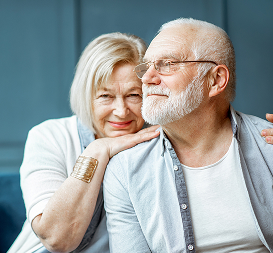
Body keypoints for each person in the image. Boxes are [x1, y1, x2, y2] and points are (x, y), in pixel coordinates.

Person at [103, 18, 273, 252]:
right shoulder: (126, 170)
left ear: (215, 80)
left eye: (167, 64)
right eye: (146, 66)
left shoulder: (269, 145)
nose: (147, 78)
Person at [7, 32, 160, 253]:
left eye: (134, 95)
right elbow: (56, 239)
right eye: (105, 96)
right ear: (86, 96)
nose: (120, 111)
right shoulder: (49, 136)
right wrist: (98, 150)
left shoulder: (159, 141)